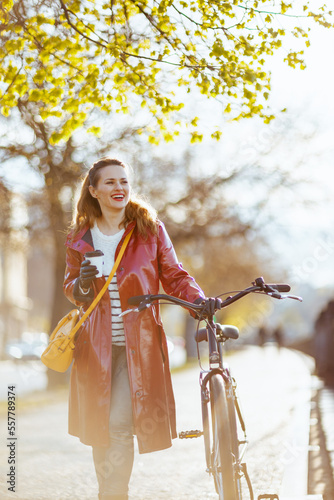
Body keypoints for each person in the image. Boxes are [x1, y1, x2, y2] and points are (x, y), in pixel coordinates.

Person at [63, 157, 213, 500]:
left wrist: (198, 301)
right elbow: (70, 288)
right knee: (100, 430)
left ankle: (114, 495)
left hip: (139, 347)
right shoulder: (78, 237)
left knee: (117, 425)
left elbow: (173, 274)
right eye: (110, 182)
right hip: (94, 349)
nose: (119, 188)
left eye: (124, 181)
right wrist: (82, 284)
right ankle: (110, 493)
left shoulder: (149, 229)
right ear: (94, 190)